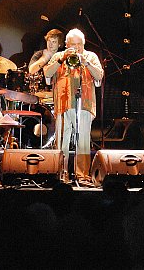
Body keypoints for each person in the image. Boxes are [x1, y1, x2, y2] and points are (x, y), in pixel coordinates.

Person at [44, 29, 104, 185]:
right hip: (63, 104)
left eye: (79, 45)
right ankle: (61, 174)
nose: (77, 48)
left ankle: (82, 175)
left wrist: (86, 62)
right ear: (66, 45)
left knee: (83, 141)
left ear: (83, 44)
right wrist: (61, 59)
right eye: (73, 45)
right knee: (61, 141)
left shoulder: (91, 56)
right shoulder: (59, 56)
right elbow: (47, 73)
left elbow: (99, 76)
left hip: (84, 104)